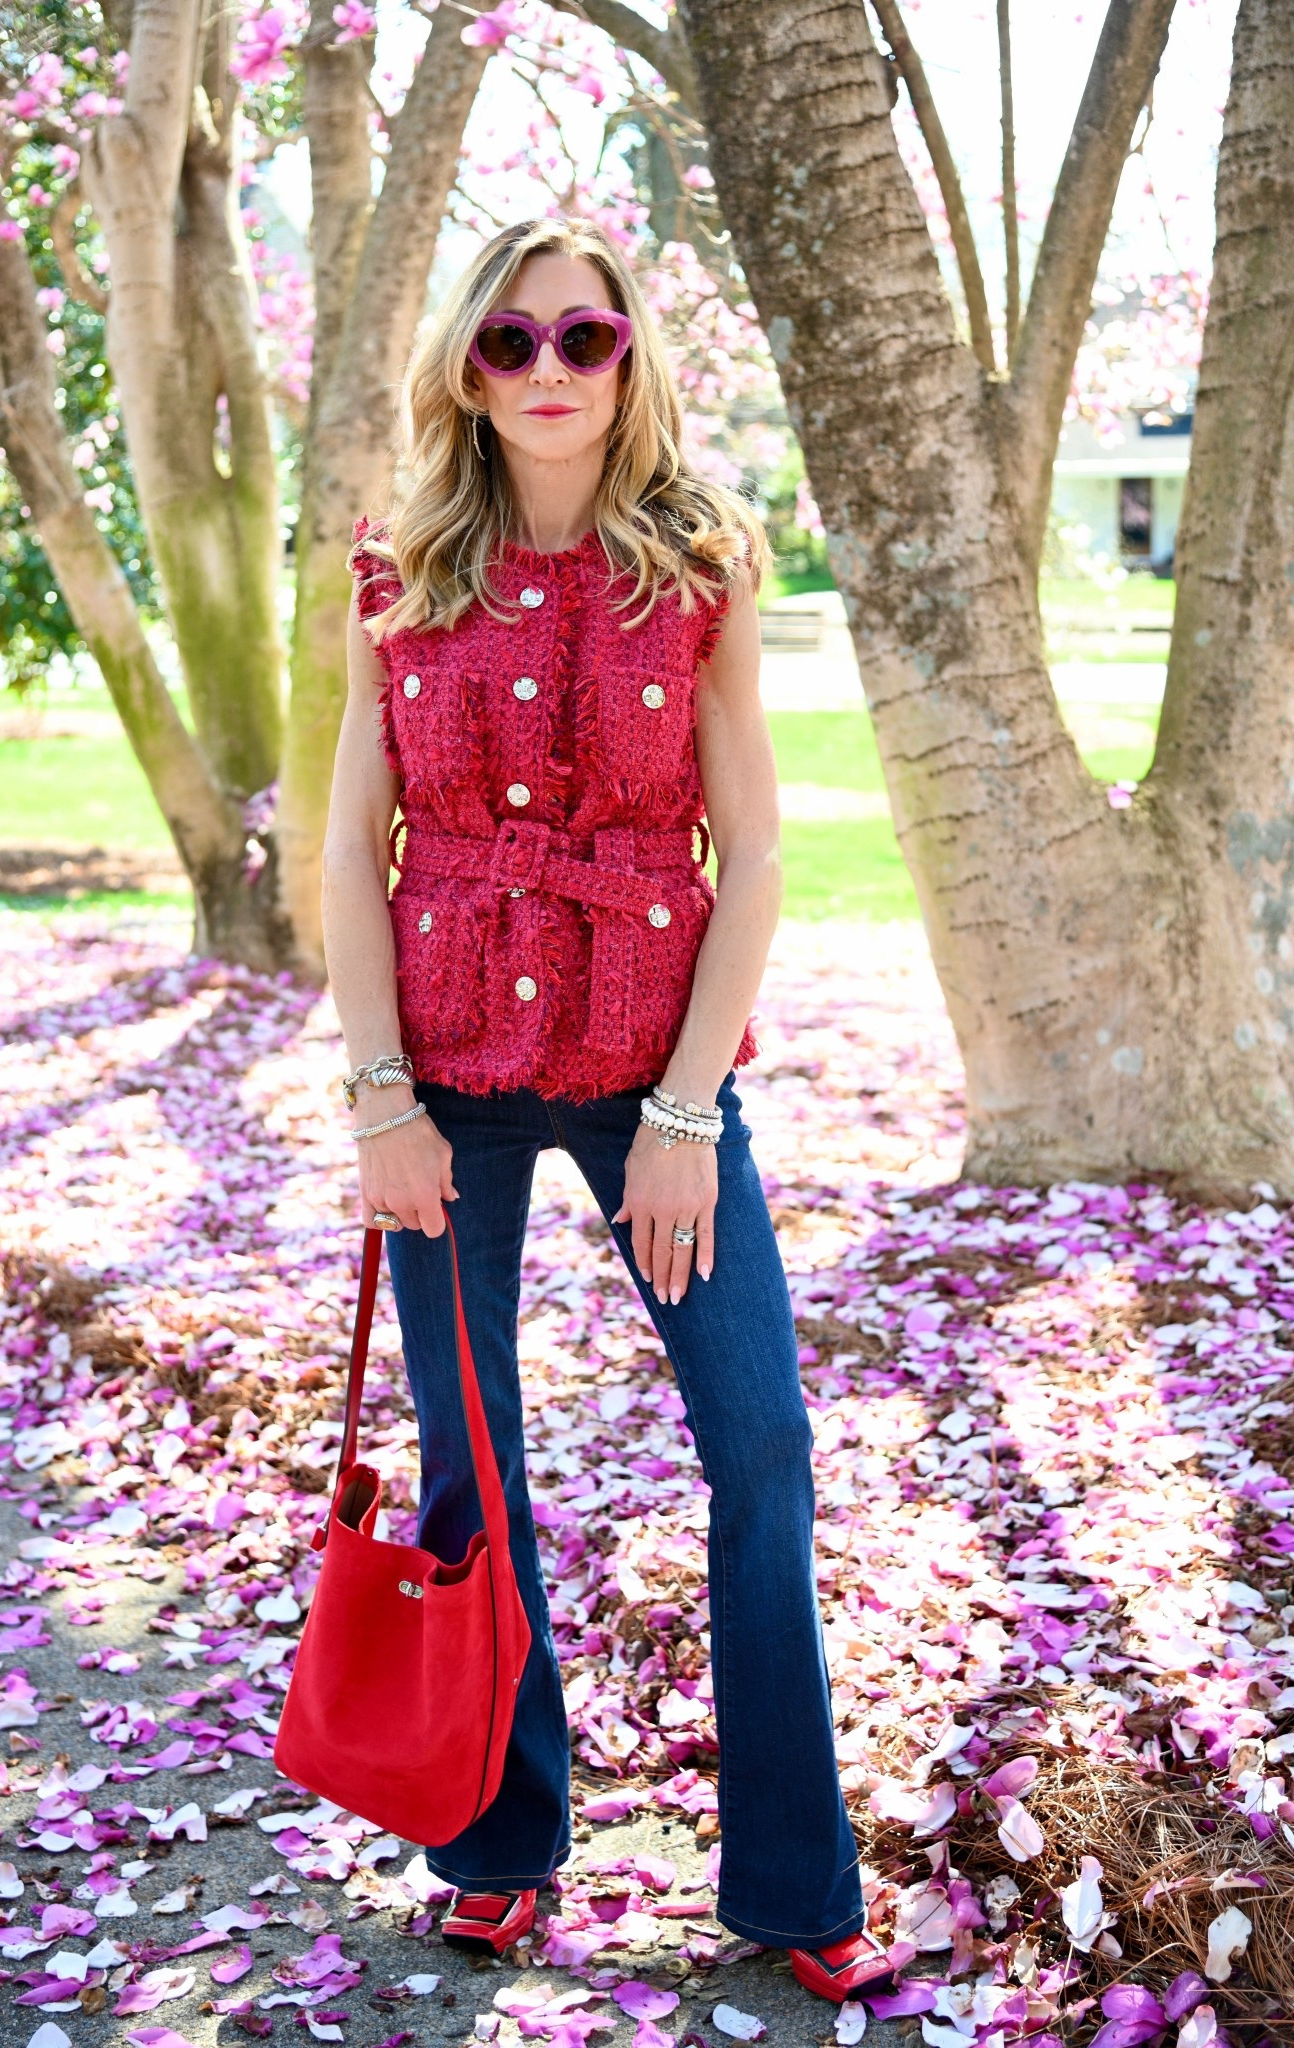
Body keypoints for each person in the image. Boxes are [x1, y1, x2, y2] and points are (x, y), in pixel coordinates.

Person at [320, 216, 896, 2005]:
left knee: (759, 1457)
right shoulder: (395, 571)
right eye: (511, 340)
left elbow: (759, 850)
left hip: (657, 1074)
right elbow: (354, 847)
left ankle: (792, 1879)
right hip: (446, 1090)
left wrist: (685, 1111)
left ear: (631, 355)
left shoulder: (699, 568)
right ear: (465, 367)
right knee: (466, 1469)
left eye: (584, 336)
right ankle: (500, 1848)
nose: (551, 369)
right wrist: (377, 1100)